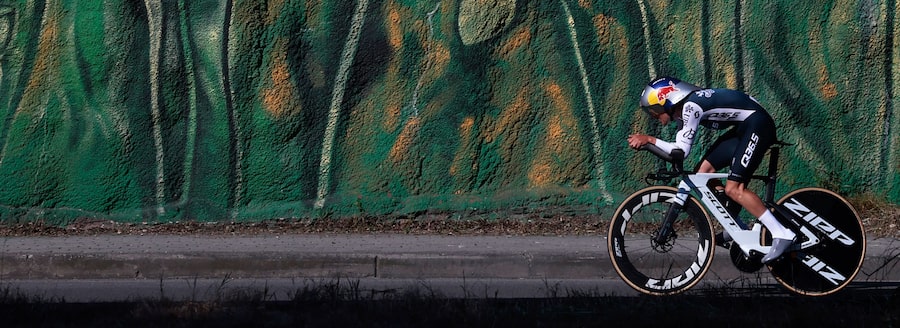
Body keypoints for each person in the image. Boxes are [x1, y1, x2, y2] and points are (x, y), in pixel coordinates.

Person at [626, 77, 795, 264]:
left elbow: (680, 151)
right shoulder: (685, 109)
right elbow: (678, 151)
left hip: (758, 125)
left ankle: (782, 233)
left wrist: (649, 140)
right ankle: (736, 225)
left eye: (654, 110)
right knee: (702, 173)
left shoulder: (691, 106)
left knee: (734, 188)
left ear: (668, 99)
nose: (654, 115)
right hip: (746, 126)